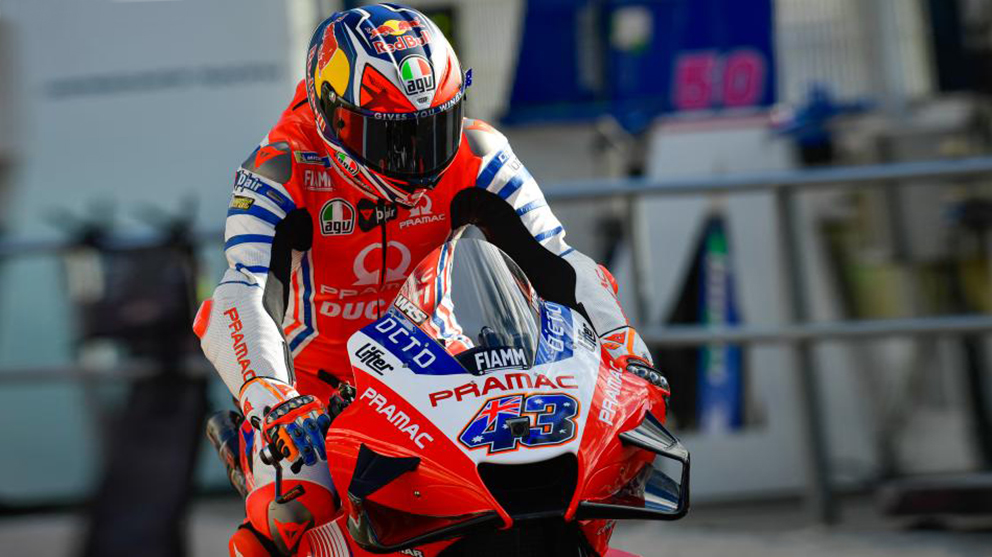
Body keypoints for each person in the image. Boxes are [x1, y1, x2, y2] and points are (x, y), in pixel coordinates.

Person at [194, 4, 665, 555]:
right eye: (394, 138)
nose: (418, 158)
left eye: (434, 127)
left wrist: (623, 344)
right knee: (294, 512)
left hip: (435, 374)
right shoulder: (281, 167)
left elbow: (559, 262)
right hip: (313, 393)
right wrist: (270, 394)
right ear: (333, 116)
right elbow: (243, 290)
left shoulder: (479, 152)